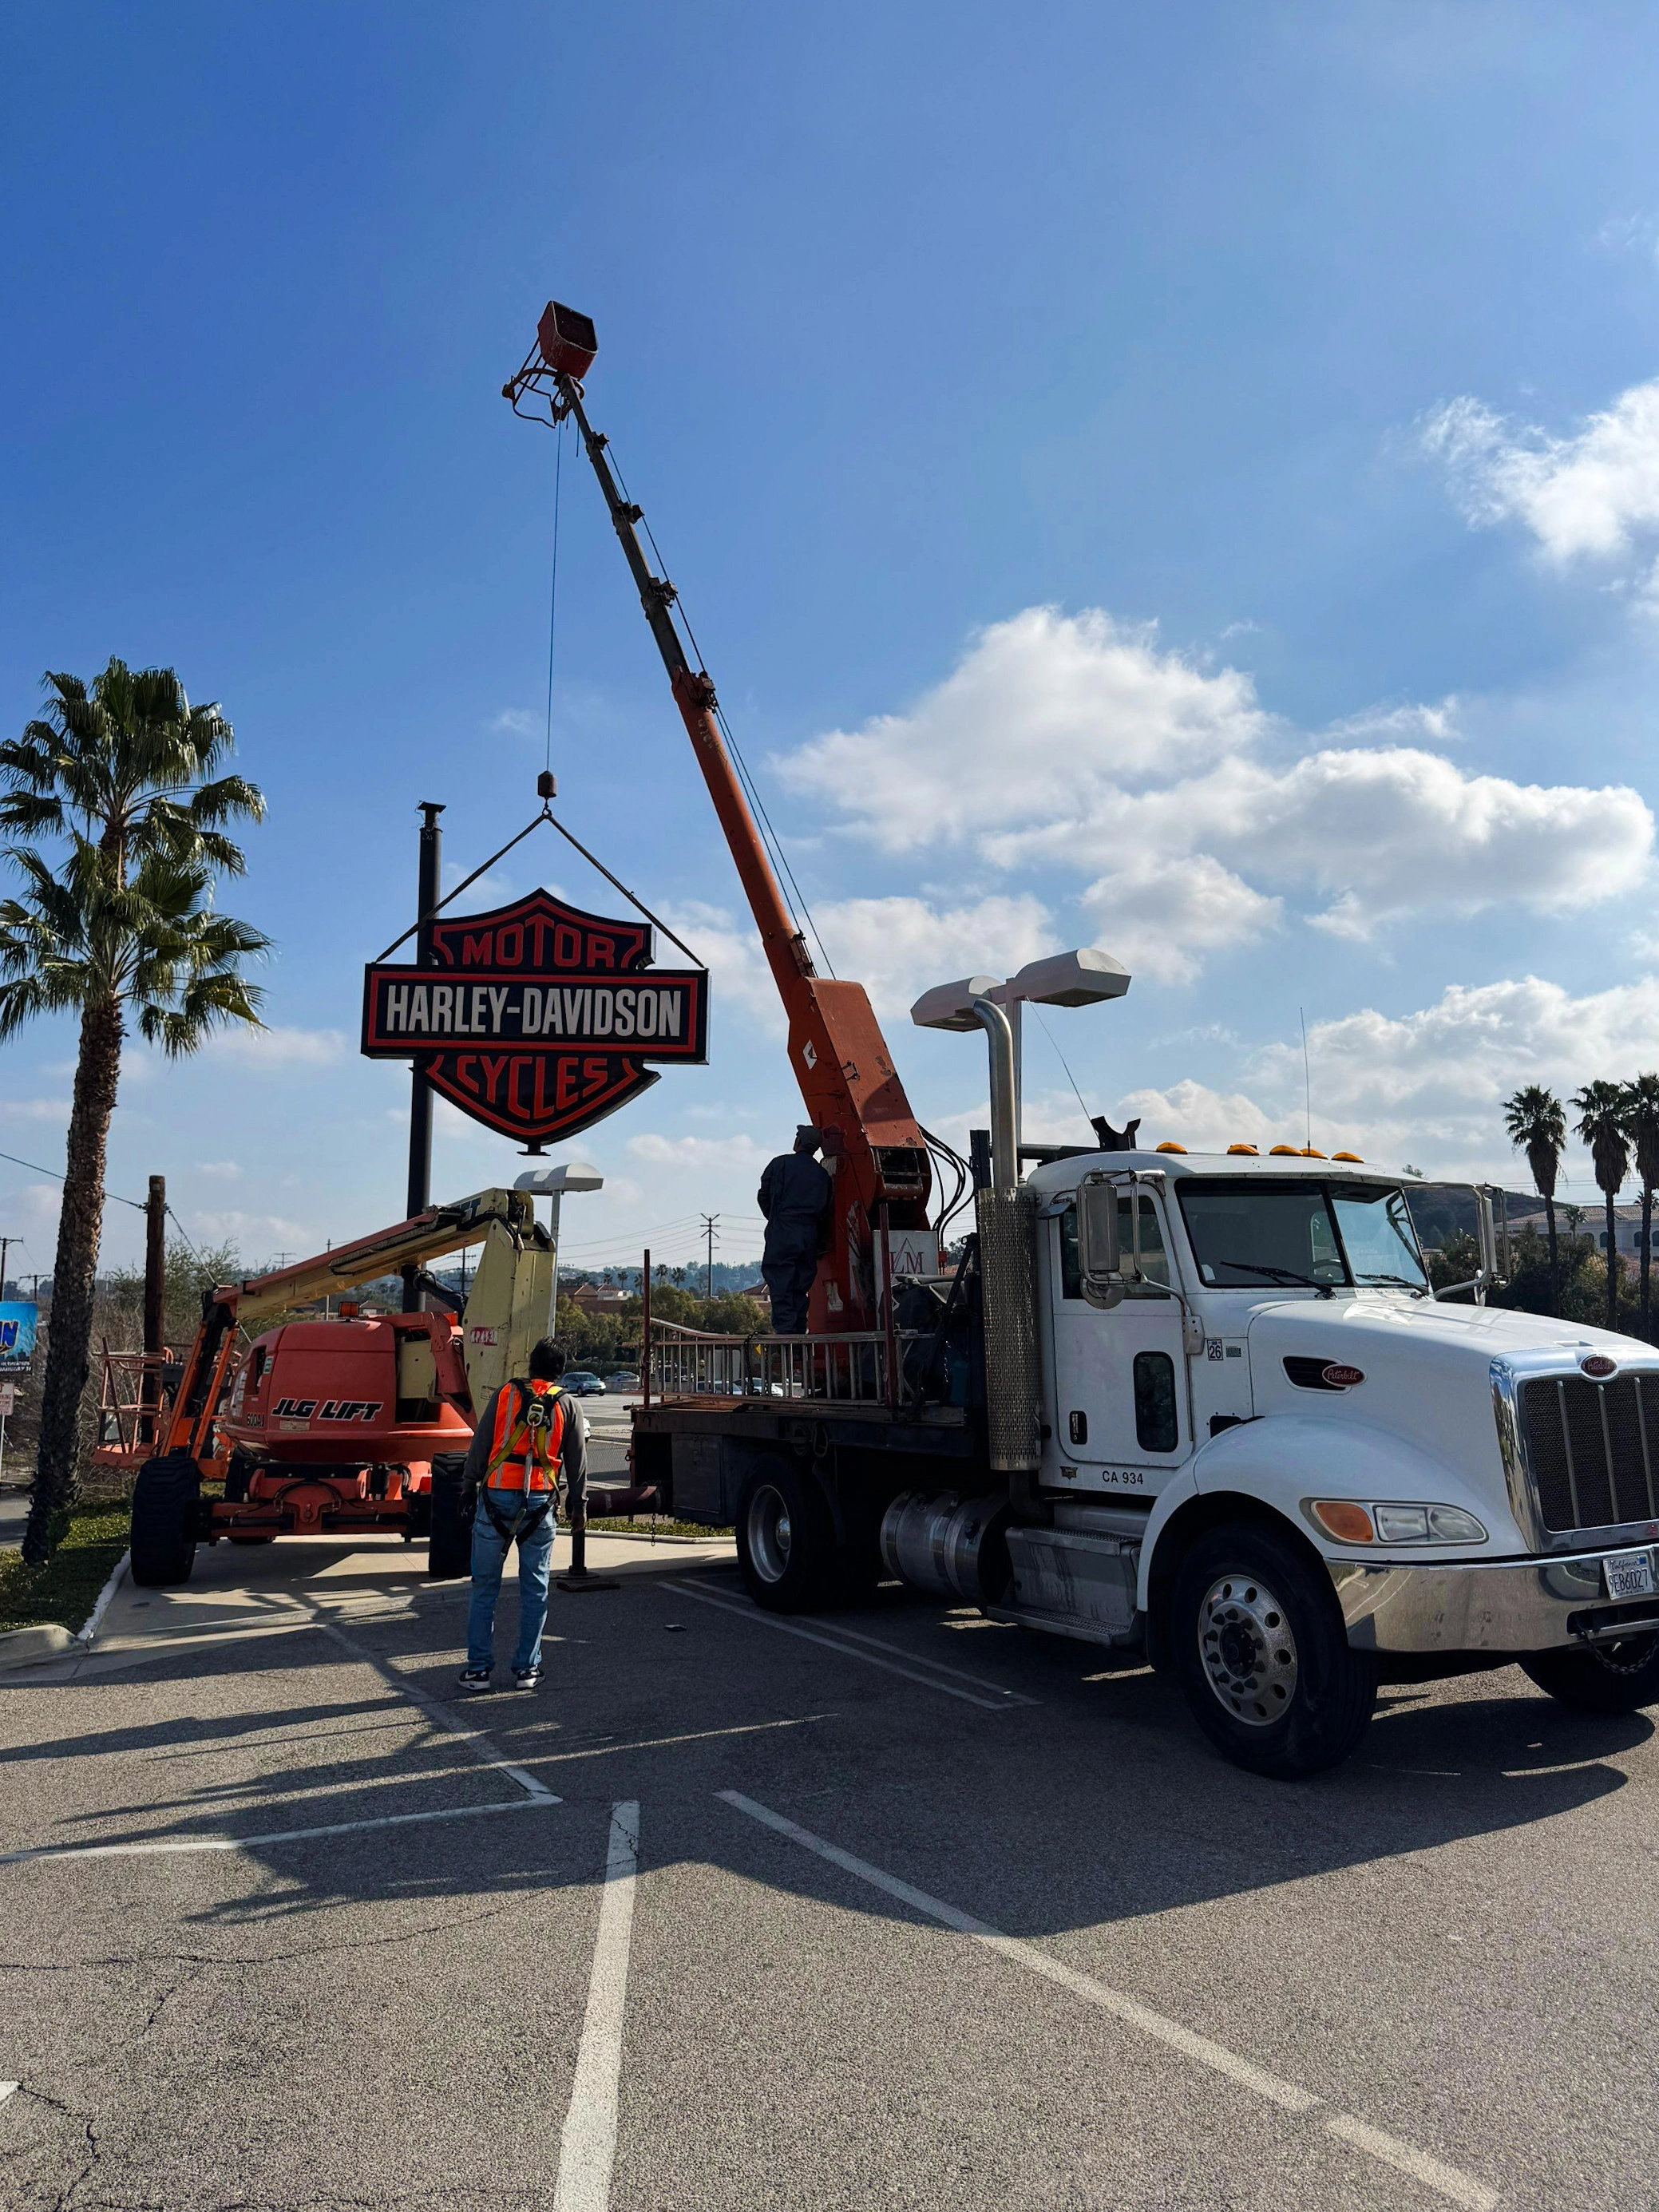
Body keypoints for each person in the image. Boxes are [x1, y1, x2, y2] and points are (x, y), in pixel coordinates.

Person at [457, 1336, 587, 1694]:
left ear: (530, 1366)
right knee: (535, 1589)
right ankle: (527, 1670)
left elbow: (480, 1444)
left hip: (496, 1498)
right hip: (540, 1504)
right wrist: (579, 1508)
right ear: (561, 1371)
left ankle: (478, 1671)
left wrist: (469, 1486)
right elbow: (577, 1464)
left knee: (484, 1588)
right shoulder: (568, 1404)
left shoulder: (505, 1395)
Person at [758, 1126, 833, 1335]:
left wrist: (776, 1219)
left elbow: (764, 1195)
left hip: (783, 1232)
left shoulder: (780, 1163)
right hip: (809, 1236)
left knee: (781, 1285)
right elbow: (825, 1209)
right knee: (800, 1288)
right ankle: (798, 1338)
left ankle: (786, 1340)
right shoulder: (822, 1175)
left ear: (798, 1142)